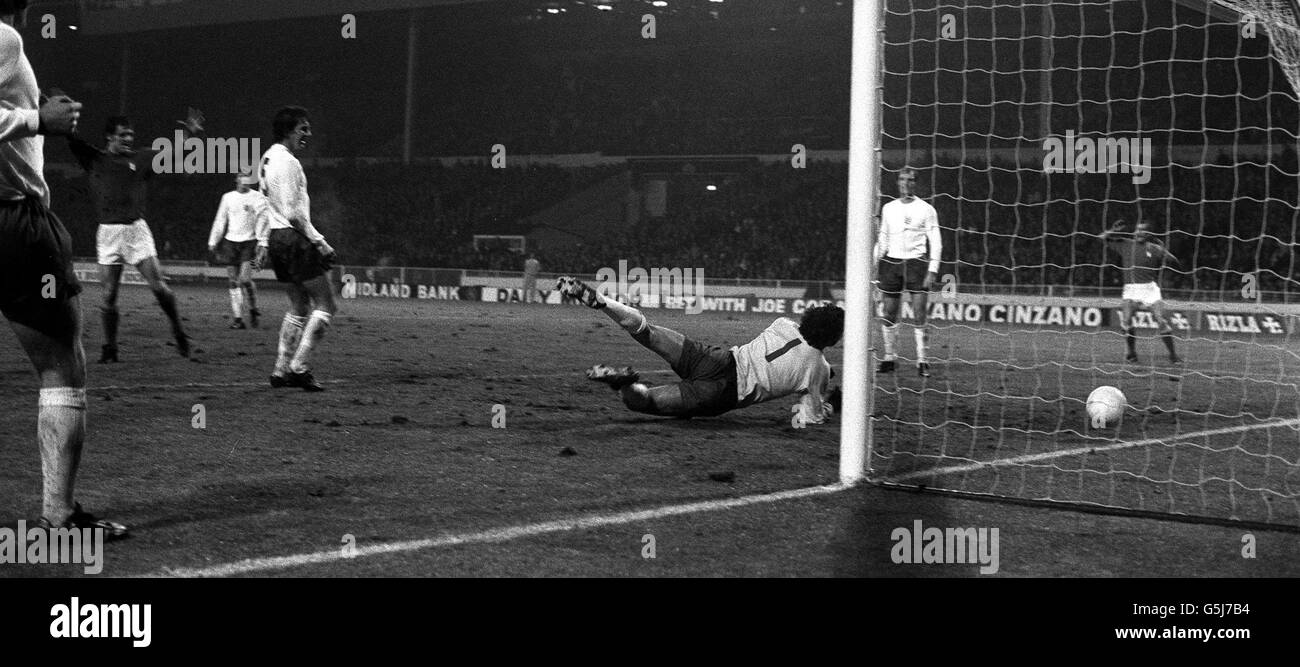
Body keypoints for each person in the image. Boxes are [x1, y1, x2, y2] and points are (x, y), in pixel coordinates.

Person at [0, 0, 126, 537]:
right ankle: (59, 514)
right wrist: (37, 119)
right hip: (14, 223)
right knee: (61, 364)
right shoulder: (3, 38)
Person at [555, 276, 842, 423]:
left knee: (648, 332)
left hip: (717, 359)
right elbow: (810, 416)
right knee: (643, 402)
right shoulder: (815, 370)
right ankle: (628, 384)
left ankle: (602, 301)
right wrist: (830, 404)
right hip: (721, 395)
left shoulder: (784, 324)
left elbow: (802, 348)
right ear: (832, 338)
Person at [66, 110, 202, 362]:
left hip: (136, 231)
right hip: (108, 233)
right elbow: (70, 137)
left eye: (131, 134)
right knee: (108, 296)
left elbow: (173, 154)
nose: (128, 138)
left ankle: (178, 331)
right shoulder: (95, 159)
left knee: (159, 288)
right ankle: (110, 349)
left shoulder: (141, 157)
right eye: (123, 134)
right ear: (109, 137)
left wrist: (188, 133)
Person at [253, 106, 337, 392]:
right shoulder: (288, 162)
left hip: (277, 239)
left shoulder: (266, 158)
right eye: (303, 128)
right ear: (289, 131)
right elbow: (293, 214)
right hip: (294, 238)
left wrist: (264, 241)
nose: (308, 134)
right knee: (326, 304)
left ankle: (280, 371)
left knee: (299, 306)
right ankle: (299, 367)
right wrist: (320, 241)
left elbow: (268, 208)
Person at [874, 167, 942, 377]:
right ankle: (890, 358)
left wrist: (932, 269)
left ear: (915, 183)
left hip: (917, 263)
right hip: (892, 263)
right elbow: (883, 239)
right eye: (902, 179)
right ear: (898, 182)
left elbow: (936, 241)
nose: (906, 183)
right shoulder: (888, 208)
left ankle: (922, 360)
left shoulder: (927, 209)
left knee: (920, 313)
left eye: (910, 180)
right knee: (889, 313)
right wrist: (874, 262)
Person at [1101, 218, 1182, 364]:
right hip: (1131, 289)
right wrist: (1112, 231)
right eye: (1138, 229)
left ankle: (1173, 356)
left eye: (1143, 230)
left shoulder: (1154, 248)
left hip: (1150, 289)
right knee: (1125, 321)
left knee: (1161, 320)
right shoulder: (1125, 244)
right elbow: (1101, 238)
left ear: (1149, 234)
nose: (1139, 232)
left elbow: (1175, 262)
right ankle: (1132, 353)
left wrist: (1164, 250)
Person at [208, 173, 265, 329]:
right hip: (230, 242)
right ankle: (238, 319)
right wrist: (213, 241)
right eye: (242, 180)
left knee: (245, 280)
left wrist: (262, 241)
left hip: (250, 242)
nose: (244, 183)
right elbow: (220, 220)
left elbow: (263, 218)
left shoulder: (258, 198)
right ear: (237, 181)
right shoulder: (228, 197)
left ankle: (253, 308)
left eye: (248, 180)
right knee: (233, 281)